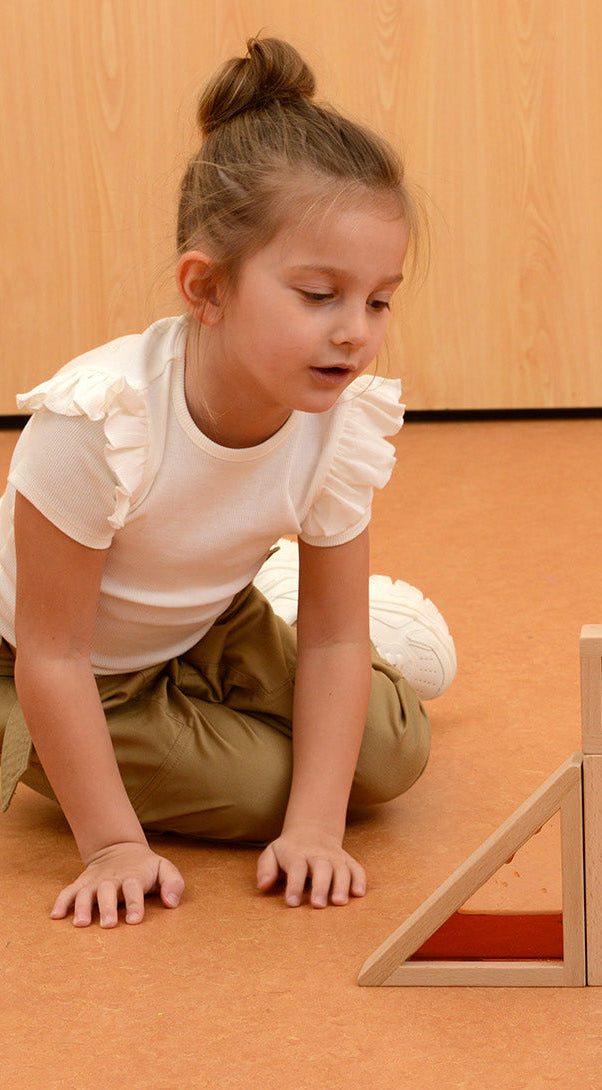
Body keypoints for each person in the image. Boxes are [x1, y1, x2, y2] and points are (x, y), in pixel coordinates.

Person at [0, 36, 455, 928]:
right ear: (206, 290)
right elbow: (54, 653)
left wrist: (319, 831)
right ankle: (41, 754)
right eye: (319, 293)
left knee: (391, 755)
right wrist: (115, 846)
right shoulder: (100, 425)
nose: (356, 333)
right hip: (61, 665)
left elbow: (332, 640)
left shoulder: (337, 421)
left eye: (378, 300)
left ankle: (253, 613)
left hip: (205, 615)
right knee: (260, 795)